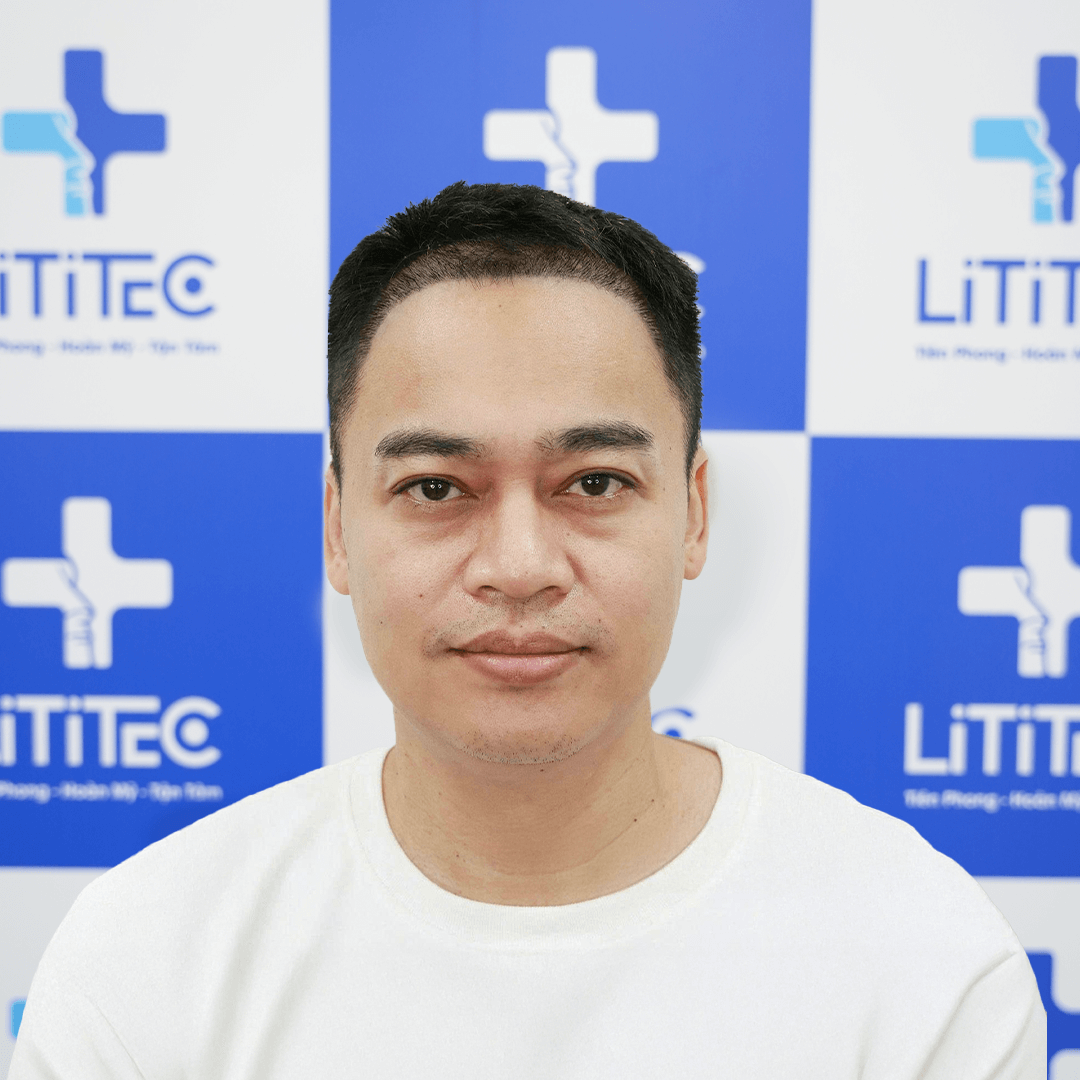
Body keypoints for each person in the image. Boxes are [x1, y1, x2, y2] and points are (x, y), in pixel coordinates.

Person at [11, 182, 1045, 1078]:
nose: (517, 566)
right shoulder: (146, 963)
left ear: (693, 514)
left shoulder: (922, 963)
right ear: (336, 528)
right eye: (435, 487)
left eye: (593, 483)